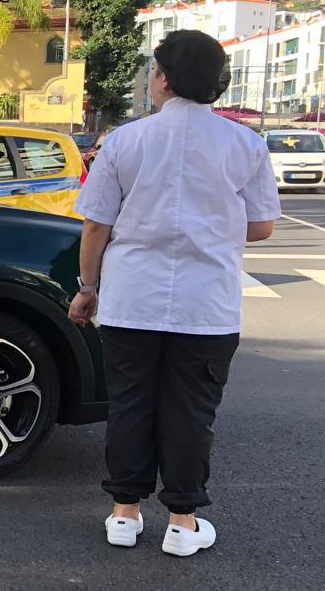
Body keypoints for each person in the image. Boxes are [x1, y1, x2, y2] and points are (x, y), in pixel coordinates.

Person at [68, 29, 280, 557]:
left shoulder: (124, 141)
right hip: (206, 305)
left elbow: (96, 224)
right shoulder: (246, 144)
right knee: (192, 410)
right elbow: (261, 226)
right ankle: (183, 522)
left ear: (163, 79)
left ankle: (124, 514)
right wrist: (212, 222)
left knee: (130, 404)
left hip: (131, 298)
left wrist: (88, 287)